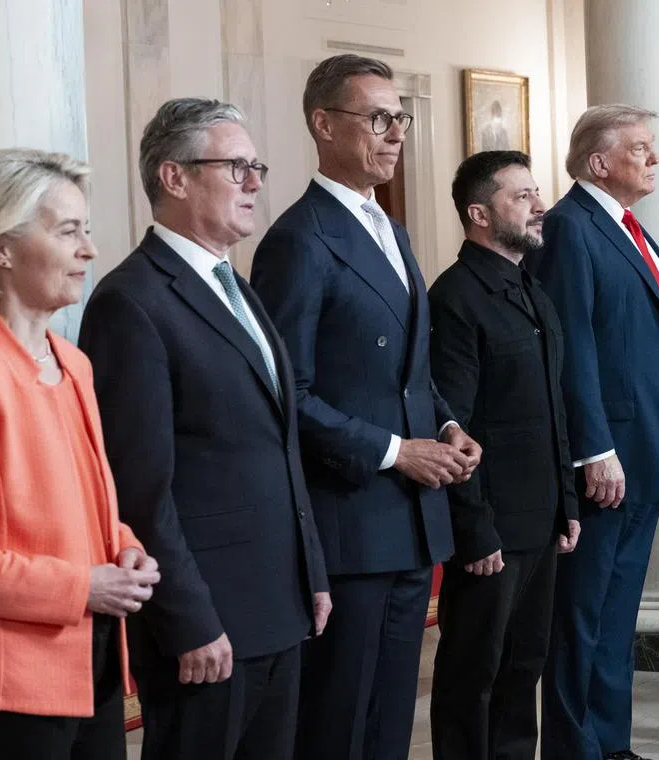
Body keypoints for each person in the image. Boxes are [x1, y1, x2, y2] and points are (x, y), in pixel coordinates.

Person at [78, 98, 331, 760]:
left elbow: (275, 447)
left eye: (257, 166)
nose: (254, 182)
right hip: (208, 626)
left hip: (276, 605)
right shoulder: (131, 301)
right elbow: (140, 489)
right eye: (236, 166)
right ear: (174, 176)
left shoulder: (234, 286)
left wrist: (311, 572)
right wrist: (187, 620)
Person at [249, 54, 482, 760]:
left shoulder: (392, 228)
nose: (394, 134)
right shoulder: (299, 239)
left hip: (411, 516)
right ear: (323, 124)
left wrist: (444, 424)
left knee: (388, 717)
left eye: (399, 118)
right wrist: (395, 451)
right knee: (339, 718)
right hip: (352, 515)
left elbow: (408, 369)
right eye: (377, 118)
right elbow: (290, 391)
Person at [0, 148, 160, 760]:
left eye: (87, 231)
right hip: (6, 694)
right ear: (1, 247)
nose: (89, 251)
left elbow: (86, 507)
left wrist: (126, 546)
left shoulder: (73, 364)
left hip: (90, 670)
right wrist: (83, 585)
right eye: (68, 231)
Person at [529, 104, 659, 760]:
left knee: (614, 617)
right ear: (599, 162)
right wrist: (594, 448)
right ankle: (575, 748)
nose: (654, 159)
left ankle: (611, 744)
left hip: (647, 450)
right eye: (640, 148)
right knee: (581, 618)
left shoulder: (629, 228)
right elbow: (571, 345)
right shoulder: (569, 228)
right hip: (608, 458)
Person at [427, 150, 580, 760]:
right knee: (474, 673)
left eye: (535, 191)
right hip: (492, 525)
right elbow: (453, 427)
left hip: (541, 517)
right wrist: (475, 529)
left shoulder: (533, 292)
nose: (538, 204)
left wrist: (567, 502)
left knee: (524, 667)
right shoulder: (456, 298)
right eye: (521, 196)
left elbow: (553, 411)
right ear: (479, 214)